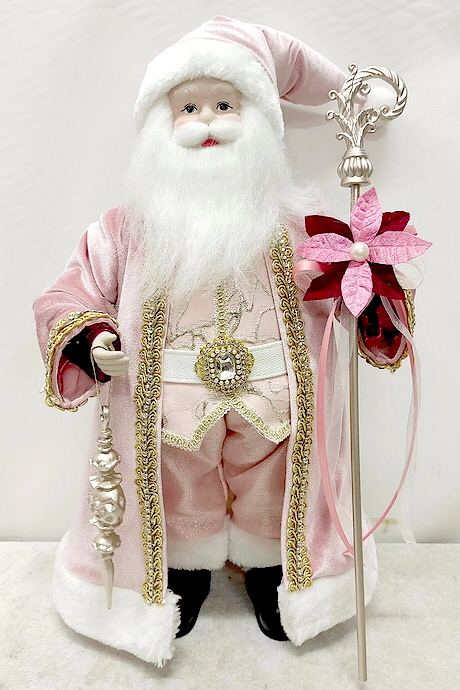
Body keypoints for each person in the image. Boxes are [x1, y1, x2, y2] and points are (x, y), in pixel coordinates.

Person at [32, 16, 414, 666]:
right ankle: (185, 570)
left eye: (225, 104)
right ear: (161, 124)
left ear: (260, 120)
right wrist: (91, 338)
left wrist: (369, 287)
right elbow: (70, 291)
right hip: (166, 405)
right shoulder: (127, 230)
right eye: (188, 107)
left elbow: (348, 292)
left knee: (276, 488)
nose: (207, 120)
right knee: (177, 490)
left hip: (279, 407)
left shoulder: (297, 226)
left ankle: (272, 569)